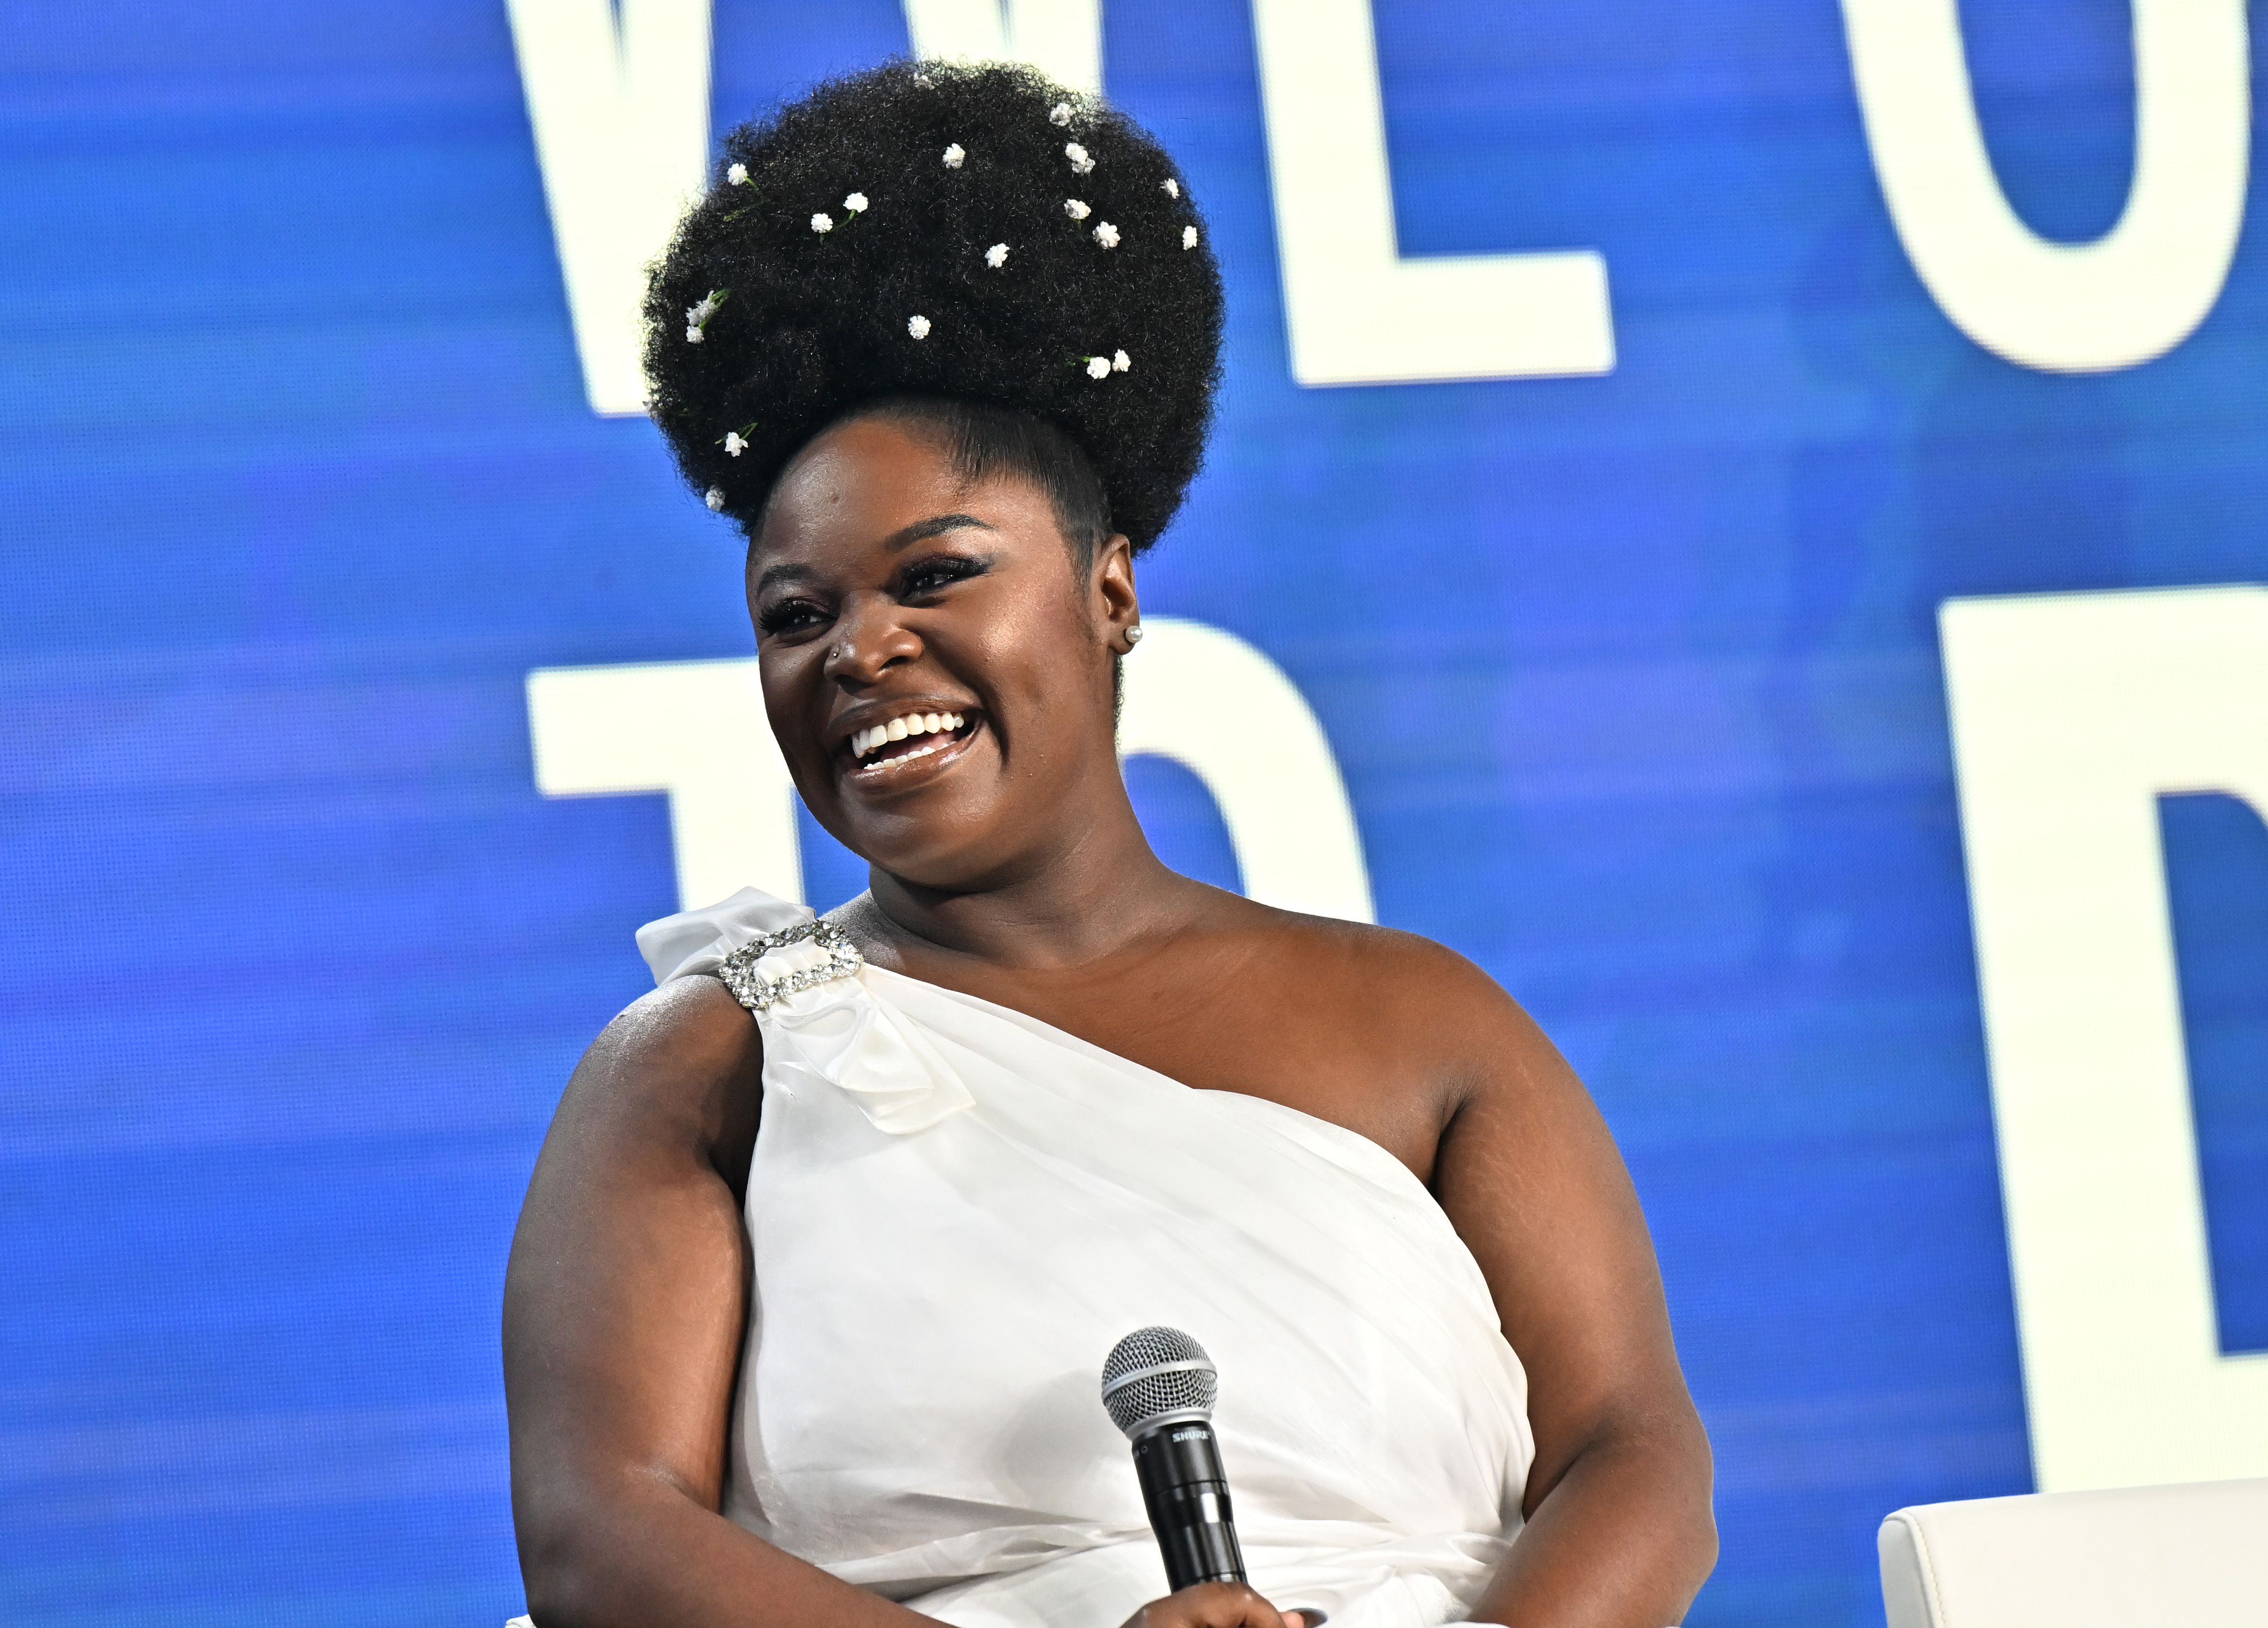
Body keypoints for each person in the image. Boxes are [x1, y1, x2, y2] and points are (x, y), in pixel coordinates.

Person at [503, 60, 1714, 1628]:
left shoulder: (1430, 1023)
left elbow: (1636, 1452)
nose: (859, 649)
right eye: (797, 616)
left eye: (932, 576)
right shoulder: (699, 1065)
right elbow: (603, 1530)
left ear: (1111, 592)